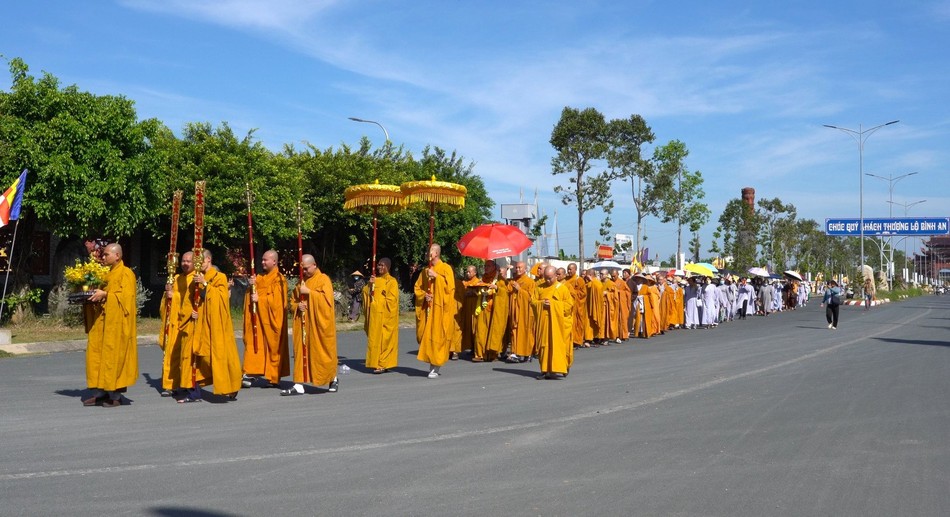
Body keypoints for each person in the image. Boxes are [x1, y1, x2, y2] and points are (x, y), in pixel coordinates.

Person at [82, 243, 137, 408]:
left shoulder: (126, 274)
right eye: (103, 255)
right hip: (101, 323)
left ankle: (115, 395)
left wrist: (106, 295)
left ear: (117, 256)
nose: (103, 257)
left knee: (114, 358)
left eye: (106, 255)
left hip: (117, 325)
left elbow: (126, 299)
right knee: (97, 357)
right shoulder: (104, 274)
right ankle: (100, 393)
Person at [186, 249, 243, 401]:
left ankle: (229, 385)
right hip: (201, 322)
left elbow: (222, 298)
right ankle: (195, 386)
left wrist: (205, 284)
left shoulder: (220, 277)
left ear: (209, 260)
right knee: (200, 355)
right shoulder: (196, 278)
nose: (199, 266)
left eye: (201, 262)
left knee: (221, 355)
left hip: (218, 323)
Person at [283, 254, 338, 395]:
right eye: (302, 270)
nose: (305, 272)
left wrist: (309, 293)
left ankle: (332, 378)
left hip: (319, 324)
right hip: (304, 324)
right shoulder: (301, 282)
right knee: (301, 352)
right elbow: (292, 301)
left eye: (306, 269)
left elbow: (327, 302)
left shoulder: (323, 279)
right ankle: (299, 384)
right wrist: (297, 306)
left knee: (323, 352)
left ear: (314, 265)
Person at [241, 249, 290, 389]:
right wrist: (252, 286)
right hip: (258, 319)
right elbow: (250, 297)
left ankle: (273, 376)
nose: (262, 262)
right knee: (253, 342)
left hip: (271, 321)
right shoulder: (259, 277)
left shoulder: (279, 280)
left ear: (274, 261)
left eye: (265, 260)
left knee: (272, 347)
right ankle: (251, 372)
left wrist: (260, 299)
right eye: (262, 260)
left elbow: (278, 303)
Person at [414, 244, 456, 378]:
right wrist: (424, 296)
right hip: (428, 308)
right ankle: (431, 363)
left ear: (437, 253)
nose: (428, 253)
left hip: (440, 309)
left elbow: (450, 289)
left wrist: (437, 277)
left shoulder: (446, 268)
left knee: (438, 336)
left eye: (430, 251)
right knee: (425, 336)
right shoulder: (425, 270)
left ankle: (435, 366)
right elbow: (418, 288)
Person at [160, 251, 195, 398]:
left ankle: (188, 385)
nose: (185, 264)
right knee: (172, 354)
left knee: (187, 357)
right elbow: (167, 302)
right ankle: (171, 384)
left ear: (195, 263)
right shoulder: (175, 278)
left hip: (189, 322)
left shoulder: (196, 279)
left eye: (188, 261)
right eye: (183, 261)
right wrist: (167, 294)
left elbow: (192, 300)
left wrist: (174, 296)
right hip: (174, 321)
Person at [533, 265, 574, 379]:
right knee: (544, 345)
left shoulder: (562, 288)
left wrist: (553, 305)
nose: (547, 280)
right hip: (544, 322)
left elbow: (569, 305)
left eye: (550, 278)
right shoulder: (539, 287)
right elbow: (532, 302)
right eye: (546, 278)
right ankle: (545, 370)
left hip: (558, 324)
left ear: (556, 275)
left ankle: (562, 366)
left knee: (559, 345)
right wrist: (541, 304)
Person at [363, 258, 399, 374]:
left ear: (388, 267)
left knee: (385, 340)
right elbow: (365, 293)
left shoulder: (391, 281)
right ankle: (376, 362)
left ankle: (383, 364)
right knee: (374, 340)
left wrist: (378, 304)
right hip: (375, 316)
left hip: (385, 316)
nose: (379, 267)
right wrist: (370, 285)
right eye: (378, 265)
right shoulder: (375, 280)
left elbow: (392, 301)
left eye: (382, 265)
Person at [473, 258, 508, 362]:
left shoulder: (500, 279)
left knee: (493, 331)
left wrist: (496, 288)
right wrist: (479, 286)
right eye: (485, 266)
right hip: (483, 307)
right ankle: (480, 354)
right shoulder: (483, 278)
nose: (486, 268)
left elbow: (504, 292)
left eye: (488, 266)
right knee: (481, 331)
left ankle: (492, 354)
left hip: (494, 308)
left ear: (493, 267)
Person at [507, 261, 536, 362]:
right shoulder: (513, 281)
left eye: (520, 268)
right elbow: (508, 291)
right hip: (515, 311)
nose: (518, 269)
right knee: (514, 331)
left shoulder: (530, 282)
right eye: (516, 268)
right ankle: (515, 352)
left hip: (525, 311)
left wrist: (520, 290)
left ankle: (527, 353)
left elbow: (531, 298)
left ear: (525, 269)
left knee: (525, 331)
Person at [458, 265, 481, 357]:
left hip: (475, 309)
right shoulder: (464, 283)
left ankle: (476, 348)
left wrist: (474, 293)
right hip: (466, 308)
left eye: (469, 272)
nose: (467, 273)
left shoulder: (479, 282)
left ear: (475, 273)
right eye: (467, 272)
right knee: (468, 328)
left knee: (474, 328)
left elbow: (481, 293)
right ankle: (471, 348)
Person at [565, 263, 588, 348]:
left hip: (577, 306)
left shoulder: (579, 280)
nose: (569, 271)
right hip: (568, 305)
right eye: (568, 269)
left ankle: (577, 340)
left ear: (575, 269)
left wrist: (572, 292)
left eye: (571, 269)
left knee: (577, 323)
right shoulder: (566, 279)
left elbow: (583, 293)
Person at [585, 269, 605, 345]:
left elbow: (599, 291)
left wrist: (592, 281)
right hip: (588, 306)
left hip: (595, 306)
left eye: (586, 275)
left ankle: (596, 337)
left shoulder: (597, 283)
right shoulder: (588, 283)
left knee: (595, 321)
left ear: (590, 275)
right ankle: (588, 338)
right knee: (588, 323)